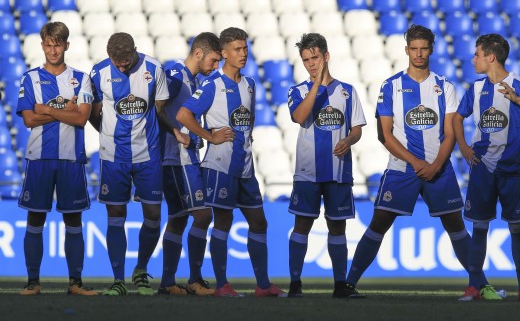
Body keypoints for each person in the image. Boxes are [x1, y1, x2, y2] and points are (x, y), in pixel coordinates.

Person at [345, 25, 472, 297]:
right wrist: (417, 162)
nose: (419, 54)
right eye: (414, 49)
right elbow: (384, 135)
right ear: (406, 51)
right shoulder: (391, 86)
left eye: (424, 48)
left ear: (431, 50)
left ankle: (479, 284)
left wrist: (436, 164)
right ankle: (348, 283)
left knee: (455, 224)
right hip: (404, 168)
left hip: (438, 167)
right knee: (379, 221)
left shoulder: (445, 86)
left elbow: (450, 132)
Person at [176, 27, 285, 297]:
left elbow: (247, 123)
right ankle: (223, 284)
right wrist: (209, 136)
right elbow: (183, 114)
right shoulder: (212, 85)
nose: (243, 54)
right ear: (223, 53)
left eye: (245, 48)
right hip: (220, 167)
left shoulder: (249, 84)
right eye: (237, 49)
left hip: (246, 167)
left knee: (259, 222)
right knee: (222, 222)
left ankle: (262, 285)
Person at [452, 34, 520, 301]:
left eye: (477, 54)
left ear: (491, 57)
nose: (473, 59)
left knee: (517, 229)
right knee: (479, 228)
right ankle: (474, 286)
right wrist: (463, 146)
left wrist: (518, 100)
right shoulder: (475, 88)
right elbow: (457, 118)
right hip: (482, 168)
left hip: (512, 170)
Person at [15, 21, 97, 296]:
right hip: (39, 159)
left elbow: (82, 118)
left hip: (71, 160)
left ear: (66, 45)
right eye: (48, 45)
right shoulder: (30, 78)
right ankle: (33, 282)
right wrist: (63, 109)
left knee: (73, 222)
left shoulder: (82, 78)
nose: (53, 50)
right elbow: (28, 119)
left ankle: (75, 282)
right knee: (35, 220)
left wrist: (45, 109)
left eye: (58, 44)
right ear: (42, 46)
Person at [286, 33, 366, 298]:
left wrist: (349, 140)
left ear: (326, 56)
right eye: (306, 60)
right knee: (302, 225)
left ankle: (340, 285)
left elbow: (357, 129)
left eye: (315, 58)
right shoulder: (297, 91)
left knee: (337, 226)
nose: (311, 64)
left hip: (338, 169)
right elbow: (299, 117)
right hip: (308, 172)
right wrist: (317, 85)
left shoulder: (347, 91)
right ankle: (295, 283)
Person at [89, 32, 169, 296]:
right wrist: (107, 133)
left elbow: (158, 107)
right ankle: (118, 280)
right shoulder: (99, 72)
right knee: (115, 216)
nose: (121, 67)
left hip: (148, 154)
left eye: (126, 62)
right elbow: (94, 112)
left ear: (135, 50)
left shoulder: (154, 68)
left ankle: (141, 270)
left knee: (154, 216)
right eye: (117, 63)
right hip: (114, 157)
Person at [156, 33, 222, 295]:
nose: (215, 66)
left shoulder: (195, 81)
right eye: (214, 60)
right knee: (202, 214)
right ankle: (192, 279)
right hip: (175, 159)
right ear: (198, 53)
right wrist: (175, 132)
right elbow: (155, 108)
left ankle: (168, 283)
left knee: (178, 219)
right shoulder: (175, 75)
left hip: (186, 158)